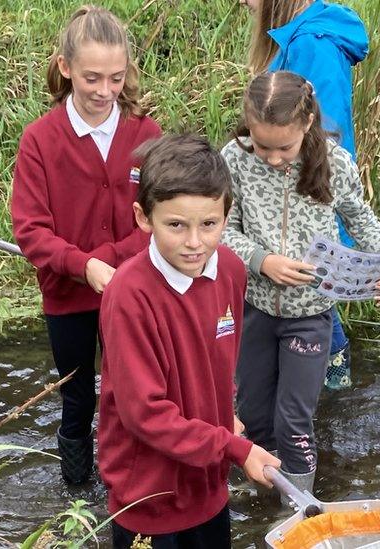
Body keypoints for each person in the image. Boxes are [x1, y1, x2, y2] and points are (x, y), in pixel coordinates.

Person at [221, 70, 380, 496]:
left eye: (283, 147)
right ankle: (260, 501)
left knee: (295, 420)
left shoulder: (335, 163)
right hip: (253, 309)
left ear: (307, 124)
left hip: (312, 314)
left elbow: (362, 220)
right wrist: (261, 260)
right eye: (262, 145)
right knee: (252, 414)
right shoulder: (234, 159)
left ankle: (296, 510)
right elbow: (221, 229)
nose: (271, 157)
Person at [97, 134, 281, 548]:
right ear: (144, 218)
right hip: (147, 496)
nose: (195, 242)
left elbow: (222, 363)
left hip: (208, 487)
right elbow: (145, 413)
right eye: (176, 225)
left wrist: (226, 413)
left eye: (209, 224)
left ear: (226, 214)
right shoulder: (129, 295)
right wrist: (234, 448)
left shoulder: (232, 270)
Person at [10, 5, 161, 484]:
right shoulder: (40, 140)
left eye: (115, 79)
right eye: (92, 78)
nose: (104, 91)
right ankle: (76, 494)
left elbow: (161, 220)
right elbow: (31, 230)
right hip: (68, 297)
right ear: (65, 67)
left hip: (137, 292)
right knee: (77, 397)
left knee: (137, 392)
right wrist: (85, 267)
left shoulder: (146, 134)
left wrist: (110, 261)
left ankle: (131, 488)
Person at [241, 0, 373, 389]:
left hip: (304, 209)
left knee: (313, 304)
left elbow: (323, 142)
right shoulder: (299, 37)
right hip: (287, 209)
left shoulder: (313, 45)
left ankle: (331, 402)